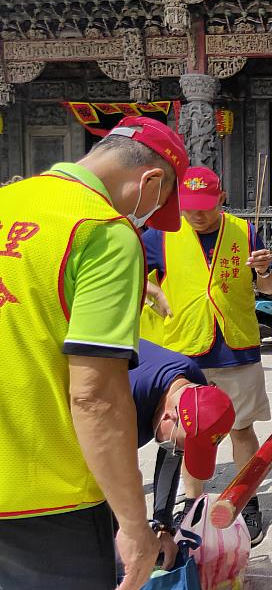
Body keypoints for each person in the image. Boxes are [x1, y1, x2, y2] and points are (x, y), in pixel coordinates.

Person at [0, 116, 188, 590]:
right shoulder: (102, 231)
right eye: (154, 208)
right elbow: (95, 397)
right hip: (45, 499)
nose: (142, 221)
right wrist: (133, 524)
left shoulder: (7, 199)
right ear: (150, 182)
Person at [141, 165, 272, 546]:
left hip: (236, 344)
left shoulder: (244, 231)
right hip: (185, 349)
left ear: (221, 197)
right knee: (187, 434)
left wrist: (265, 271)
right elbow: (130, 272)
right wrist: (155, 293)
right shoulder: (160, 234)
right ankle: (193, 502)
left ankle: (245, 499)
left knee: (242, 427)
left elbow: (266, 287)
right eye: (189, 206)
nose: (197, 214)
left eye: (205, 205)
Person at [130, 340, 234, 530]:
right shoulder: (127, 400)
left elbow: (171, 457)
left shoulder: (195, 389)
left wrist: (162, 524)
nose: (178, 452)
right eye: (179, 446)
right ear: (169, 416)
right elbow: (108, 473)